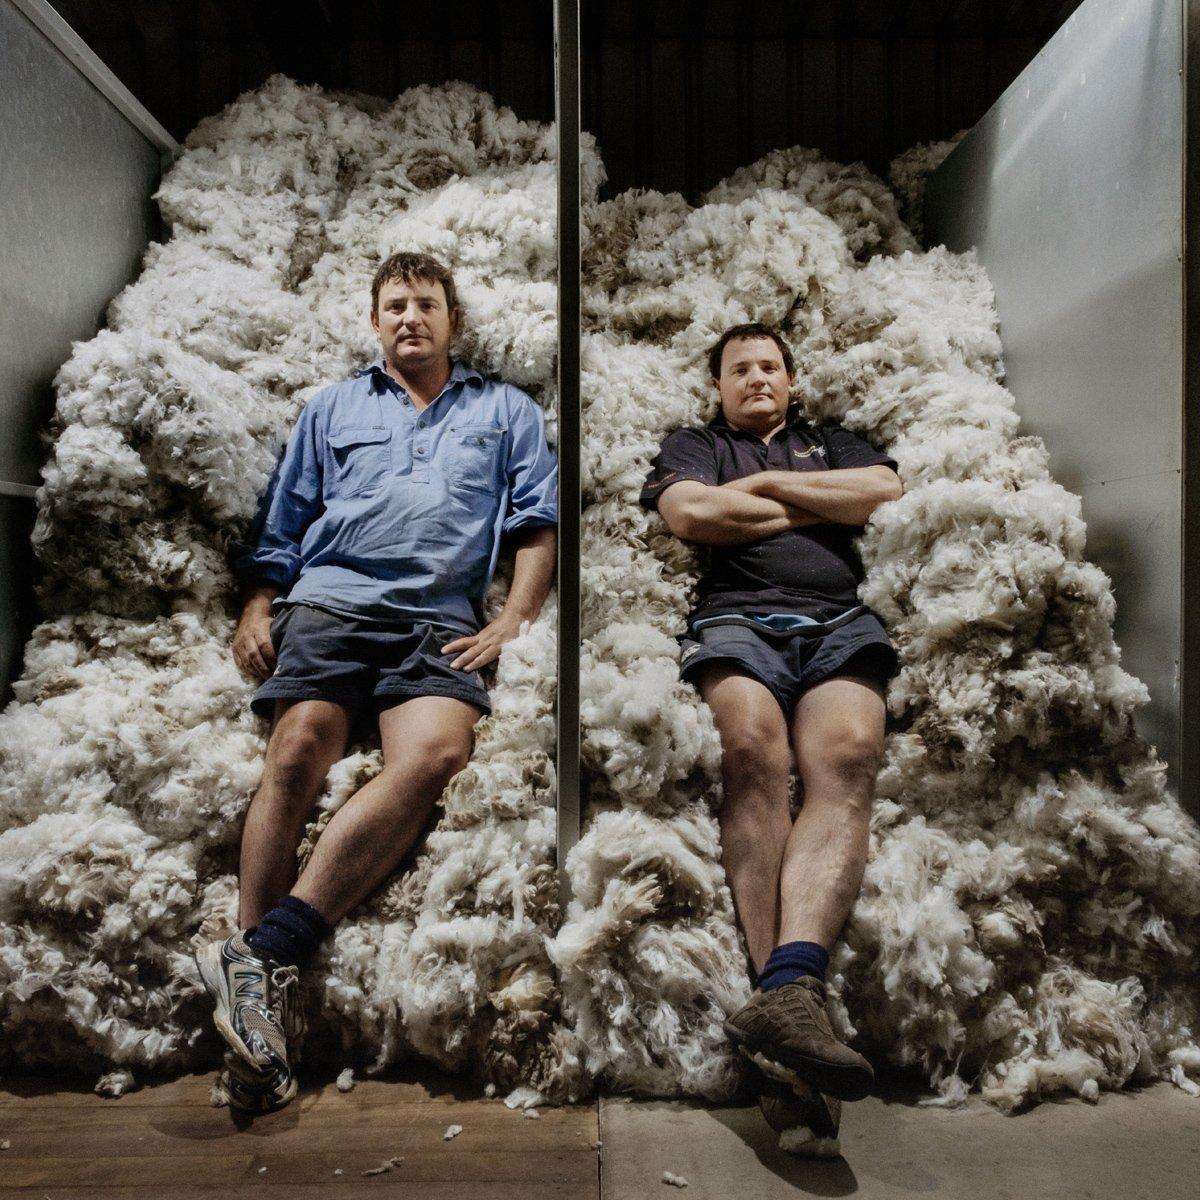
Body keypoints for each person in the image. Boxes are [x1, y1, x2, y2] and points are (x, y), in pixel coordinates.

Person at [197, 251, 558, 1111]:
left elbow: (537, 527)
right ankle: (259, 1007)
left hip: (440, 621)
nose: (410, 318)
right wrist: (258, 607)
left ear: (451, 322)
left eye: (426, 305)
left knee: (435, 757)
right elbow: (283, 522)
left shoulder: (504, 410)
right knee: (295, 751)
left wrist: (512, 619)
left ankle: (265, 955)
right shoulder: (331, 408)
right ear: (374, 321)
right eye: (395, 306)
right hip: (330, 604)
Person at [640, 322, 902, 1112]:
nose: (756, 378)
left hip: (839, 623)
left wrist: (757, 496)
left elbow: (884, 491)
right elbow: (689, 516)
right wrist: (821, 510)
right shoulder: (696, 444)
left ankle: (788, 992)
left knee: (850, 757)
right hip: (737, 622)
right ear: (718, 388)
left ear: (792, 382)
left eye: (770, 367)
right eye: (739, 369)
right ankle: (782, 999)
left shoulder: (838, 440)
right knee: (754, 752)